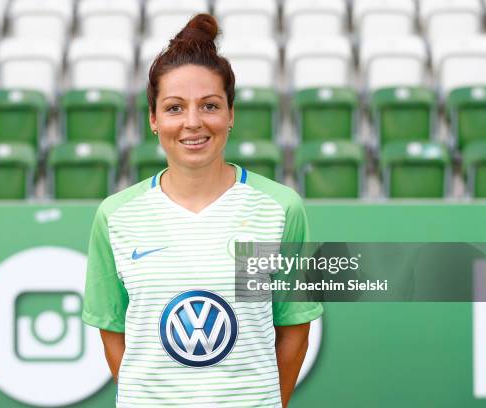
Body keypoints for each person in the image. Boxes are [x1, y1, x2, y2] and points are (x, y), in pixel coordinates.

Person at [82, 13, 323, 408]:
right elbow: (113, 330)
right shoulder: (116, 216)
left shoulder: (279, 209)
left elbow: (294, 327)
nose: (193, 123)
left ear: (231, 114)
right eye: (175, 108)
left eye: (209, 106)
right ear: (153, 119)